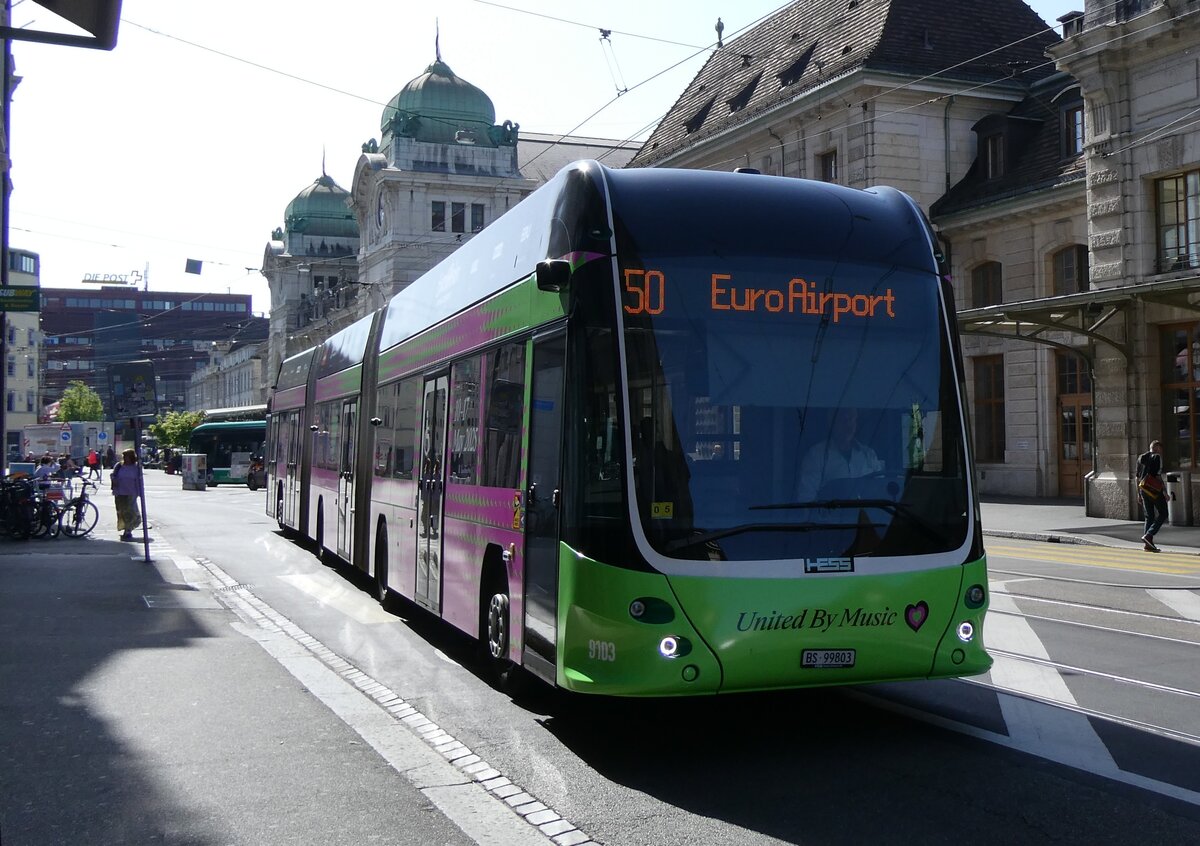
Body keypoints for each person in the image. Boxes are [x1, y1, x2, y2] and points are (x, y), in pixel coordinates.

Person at [796, 407, 883, 501]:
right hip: (832, 514)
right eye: (844, 420)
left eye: (852, 419)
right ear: (832, 422)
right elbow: (807, 497)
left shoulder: (869, 454)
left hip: (865, 515)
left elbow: (881, 490)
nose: (848, 425)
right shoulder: (816, 455)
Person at [1136, 440, 1167, 553]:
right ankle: (1149, 535)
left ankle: (1147, 545)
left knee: (1149, 516)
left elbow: (1137, 477)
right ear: (1157, 448)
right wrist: (1164, 492)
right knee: (1164, 513)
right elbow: (1158, 476)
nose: (1161, 451)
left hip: (1143, 489)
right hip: (1154, 489)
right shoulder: (1157, 457)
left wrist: (1138, 493)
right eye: (1160, 448)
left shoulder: (1141, 458)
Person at [111, 448, 144, 542]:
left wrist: (140, 492)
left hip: (131, 492)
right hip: (119, 492)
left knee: (130, 511)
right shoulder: (119, 466)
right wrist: (114, 480)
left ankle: (128, 530)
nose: (125, 459)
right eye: (124, 456)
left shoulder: (136, 467)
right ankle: (125, 528)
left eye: (127, 457)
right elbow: (113, 475)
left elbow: (139, 480)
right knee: (121, 512)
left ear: (132, 458)